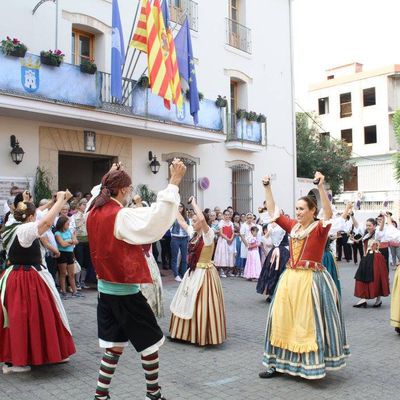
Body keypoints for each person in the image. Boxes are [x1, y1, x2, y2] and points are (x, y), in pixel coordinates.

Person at [86, 160, 185, 400]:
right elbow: (154, 222)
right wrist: (173, 184)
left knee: (113, 347)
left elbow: (96, 194)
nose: (130, 194)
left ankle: (101, 396)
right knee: (150, 345)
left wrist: (110, 174)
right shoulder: (119, 215)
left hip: (105, 293)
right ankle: (153, 394)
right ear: (122, 191)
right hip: (126, 294)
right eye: (128, 190)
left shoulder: (92, 211)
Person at [259, 172, 349, 380]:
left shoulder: (319, 228)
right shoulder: (293, 227)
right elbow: (273, 210)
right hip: (290, 279)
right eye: (297, 209)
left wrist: (321, 186)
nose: (297, 212)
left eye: (301, 209)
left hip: (311, 281)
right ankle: (276, 364)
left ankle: (310, 366)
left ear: (311, 211)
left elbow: (328, 212)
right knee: (281, 319)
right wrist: (267, 186)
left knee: (307, 323)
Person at [0, 190, 76, 373]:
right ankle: (16, 360)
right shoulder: (24, 229)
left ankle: (47, 353)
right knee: (27, 317)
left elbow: (30, 218)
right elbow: (47, 222)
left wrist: (26, 202)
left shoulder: (10, 226)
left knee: (36, 315)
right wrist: (60, 201)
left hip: (18, 276)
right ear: (31, 216)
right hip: (26, 278)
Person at [169, 197, 226, 346]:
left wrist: (194, 202)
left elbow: (201, 217)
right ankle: (183, 334)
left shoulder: (209, 235)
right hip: (193, 272)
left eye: (195, 220)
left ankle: (201, 335)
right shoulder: (193, 233)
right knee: (185, 300)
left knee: (201, 303)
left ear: (202, 222)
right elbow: (181, 221)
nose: (192, 222)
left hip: (205, 274)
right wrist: (173, 205)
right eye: (192, 220)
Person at [353, 218, 390, 308]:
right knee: (361, 276)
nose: (368, 227)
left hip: (375, 258)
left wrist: (384, 219)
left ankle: (378, 300)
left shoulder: (377, 233)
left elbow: (381, 229)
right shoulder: (366, 234)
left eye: (370, 225)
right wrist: (352, 216)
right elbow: (357, 225)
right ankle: (363, 298)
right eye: (367, 225)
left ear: (374, 226)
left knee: (376, 278)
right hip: (366, 258)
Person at [257, 222, 289, 302]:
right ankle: (272, 293)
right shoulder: (270, 226)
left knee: (280, 271)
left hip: (282, 251)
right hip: (277, 251)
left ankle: (280, 294)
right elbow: (264, 238)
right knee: (273, 271)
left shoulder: (282, 225)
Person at [55, 216, 81, 299]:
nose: (69, 225)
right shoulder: (57, 233)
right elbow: (62, 244)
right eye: (67, 224)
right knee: (62, 273)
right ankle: (63, 291)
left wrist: (68, 241)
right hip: (62, 254)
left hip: (70, 253)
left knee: (72, 274)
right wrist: (71, 241)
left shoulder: (69, 231)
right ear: (62, 224)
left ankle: (75, 291)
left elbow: (76, 241)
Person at [170, 203, 190, 282]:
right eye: (178, 206)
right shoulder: (174, 216)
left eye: (181, 206)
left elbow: (188, 229)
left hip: (184, 238)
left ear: (183, 208)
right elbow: (169, 226)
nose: (180, 208)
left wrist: (188, 238)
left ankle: (184, 274)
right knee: (174, 257)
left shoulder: (186, 218)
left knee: (184, 258)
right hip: (175, 238)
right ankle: (176, 275)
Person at [214, 209, 235, 278]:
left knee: (229, 254)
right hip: (223, 241)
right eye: (225, 215)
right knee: (222, 255)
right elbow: (220, 233)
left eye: (228, 215)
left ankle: (228, 270)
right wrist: (227, 239)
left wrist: (231, 238)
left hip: (230, 241)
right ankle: (221, 270)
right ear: (223, 215)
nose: (227, 216)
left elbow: (233, 232)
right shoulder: (221, 222)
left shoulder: (231, 223)